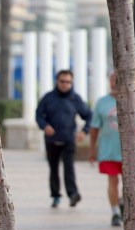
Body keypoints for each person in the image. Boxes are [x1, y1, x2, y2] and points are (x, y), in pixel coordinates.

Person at [89, 72, 135, 227]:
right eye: (112, 80)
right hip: (108, 150)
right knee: (112, 180)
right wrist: (92, 150)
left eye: (117, 80)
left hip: (129, 150)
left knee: (128, 183)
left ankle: (125, 206)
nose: (114, 83)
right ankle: (115, 212)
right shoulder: (101, 103)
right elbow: (94, 127)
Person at [35, 69, 92, 208]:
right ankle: (55, 196)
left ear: (71, 83)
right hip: (51, 140)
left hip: (69, 140)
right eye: (62, 81)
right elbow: (38, 115)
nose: (65, 84)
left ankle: (73, 194)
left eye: (68, 82)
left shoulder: (75, 99)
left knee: (69, 168)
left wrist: (84, 131)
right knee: (53, 169)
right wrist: (44, 125)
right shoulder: (48, 98)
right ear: (57, 81)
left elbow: (89, 115)